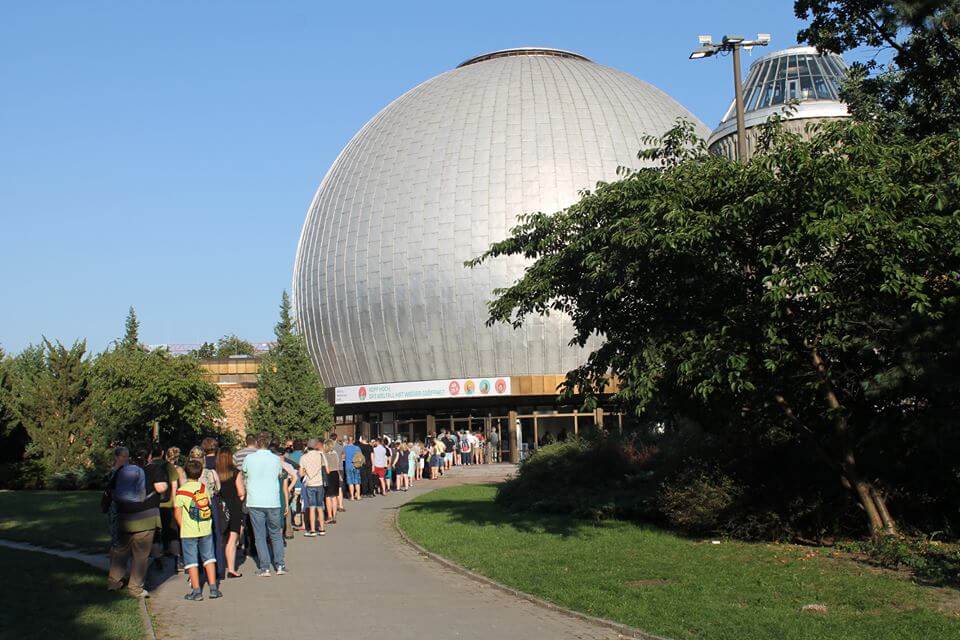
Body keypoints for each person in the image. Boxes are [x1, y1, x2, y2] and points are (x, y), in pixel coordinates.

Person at [107, 449, 168, 598]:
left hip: (125, 516)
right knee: (141, 555)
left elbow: (111, 491)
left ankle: (113, 582)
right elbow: (161, 487)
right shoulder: (154, 469)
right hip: (146, 517)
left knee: (121, 550)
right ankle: (135, 588)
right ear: (148, 456)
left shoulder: (122, 471)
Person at [175, 459, 223, 601]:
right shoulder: (203, 488)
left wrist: (182, 526)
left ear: (185, 472)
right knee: (209, 558)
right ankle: (213, 588)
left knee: (191, 561)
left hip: (189, 531)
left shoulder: (181, 491)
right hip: (205, 528)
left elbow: (177, 512)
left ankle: (196, 591)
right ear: (200, 473)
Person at [242, 432, 287, 576]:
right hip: (273, 500)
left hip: (255, 500)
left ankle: (265, 567)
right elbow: (279, 475)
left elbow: (244, 473)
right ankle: (280, 565)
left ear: (256, 443)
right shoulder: (275, 459)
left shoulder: (249, 458)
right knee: (275, 533)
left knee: (260, 535)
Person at [216, 448, 245, 578]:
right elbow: (241, 492)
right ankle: (231, 569)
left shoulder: (214, 473)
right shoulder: (235, 473)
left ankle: (219, 567)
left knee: (221, 538)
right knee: (232, 538)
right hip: (234, 506)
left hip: (219, 507)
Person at [155, 445, 180, 571]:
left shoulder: (149, 466)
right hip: (168, 503)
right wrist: (175, 501)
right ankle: (177, 559)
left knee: (157, 533)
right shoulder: (168, 467)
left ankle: (158, 558)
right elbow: (174, 485)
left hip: (153, 505)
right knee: (172, 532)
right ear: (162, 453)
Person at [299, 438, 327, 537]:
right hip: (319, 483)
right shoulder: (320, 455)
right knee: (320, 507)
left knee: (311, 507)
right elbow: (327, 469)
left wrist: (307, 472)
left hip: (310, 484)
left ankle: (312, 530)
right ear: (315, 446)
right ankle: (322, 529)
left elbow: (301, 473)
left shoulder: (303, 457)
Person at [323, 440, 341, 524]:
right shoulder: (335, 454)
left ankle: (329, 515)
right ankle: (334, 515)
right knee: (334, 496)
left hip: (328, 474)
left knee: (327, 496)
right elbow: (337, 465)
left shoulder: (324, 455)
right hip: (335, 474)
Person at [343, 436, 362, 501]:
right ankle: (358, 496)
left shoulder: (345, 448)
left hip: (348, 466)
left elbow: (343, 457)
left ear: (348, 441)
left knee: (350, 482)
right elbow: (360, 457)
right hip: (356, 466)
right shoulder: (357, 448)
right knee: (357, 481)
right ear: (353, 441)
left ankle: (352, 497)